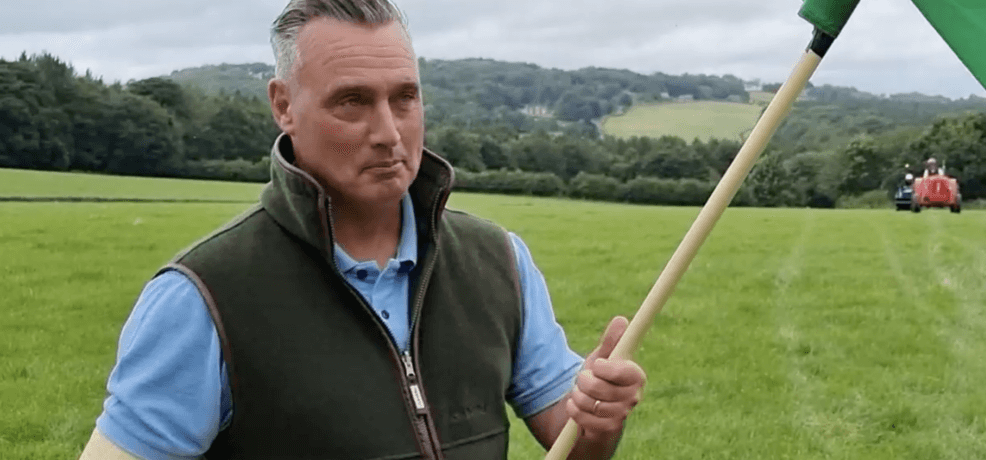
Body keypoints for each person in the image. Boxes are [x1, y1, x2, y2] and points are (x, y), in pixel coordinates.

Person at [77, 1, 645, 458]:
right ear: (283, 106)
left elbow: (572, 443)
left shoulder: (499, 261)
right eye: (352, 101)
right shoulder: (202, 297)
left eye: (405, 98)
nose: (388, 133)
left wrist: (598, 417)